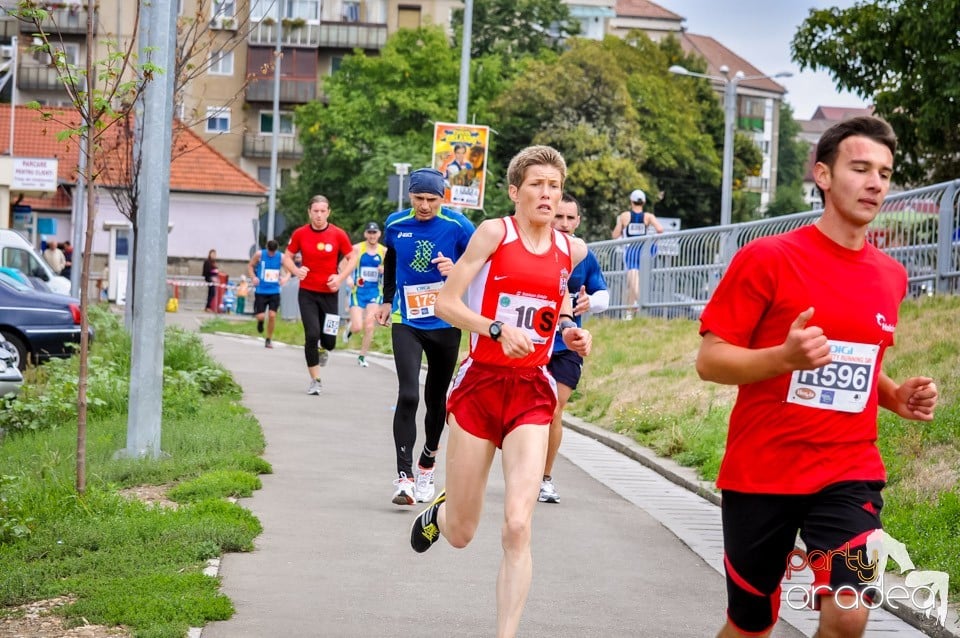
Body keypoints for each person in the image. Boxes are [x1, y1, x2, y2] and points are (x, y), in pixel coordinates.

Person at [695, 116, 939, 638]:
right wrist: (782, 358)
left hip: (849, 470)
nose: (875, 182)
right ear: (823, 175)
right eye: (860, 168)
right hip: (762, 471)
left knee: (850, 612)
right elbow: (710, 360)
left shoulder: (890, 276)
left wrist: (895, 395)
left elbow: (860, 363)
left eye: (885, 172)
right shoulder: (767, 258)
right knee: (750, 625)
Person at [409, 146, 591, 638]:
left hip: (532, 389)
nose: (547, 194)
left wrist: (572, 330)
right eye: (537, 184)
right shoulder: (494, 234)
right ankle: (443, 512)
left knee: (517, 524)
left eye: (554, 186)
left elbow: (555, 309)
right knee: (464, 534)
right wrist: (492, 329)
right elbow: (447, 304)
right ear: (515, 192)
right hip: (480, 386)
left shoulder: (572, 250)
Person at [376, 168, 475, 505]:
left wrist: (457, 269)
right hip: (408, 319)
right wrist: (387, 300)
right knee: (408, 395)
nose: (424, 206)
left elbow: (481, 266)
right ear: (410, 196)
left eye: (431, 200)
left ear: (442, 198)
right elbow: (391, 260)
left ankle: (427, 462)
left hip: (446, 321)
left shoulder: (459, 226)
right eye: (418, 198)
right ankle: (404, 477)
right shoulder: (395, 224)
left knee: (437, 400)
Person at [539, 193, 609, 504]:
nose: (565, 224)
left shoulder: (582, 254)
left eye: (571, 218)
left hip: (567, 343)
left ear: (578, 221)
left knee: (554, 408)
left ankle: (544, 478)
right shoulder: (533, 248)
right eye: (559, 217)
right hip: (533, 342)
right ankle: (525, 465)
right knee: (530, 410)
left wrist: (589, 302)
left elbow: (604, 295)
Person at [285, 195, 357, 395]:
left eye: (322, 211)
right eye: (315, 211)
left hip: (330, 293)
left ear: (328, 212)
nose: (318, 215)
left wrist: (340, 278)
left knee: (329, 341)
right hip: (307, 292)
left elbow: (352, 258)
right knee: (312, 334)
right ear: (309, 212)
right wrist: (296, 270)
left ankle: (324, 349)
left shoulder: (338, 234)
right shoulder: (301, 234)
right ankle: (315, 380)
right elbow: (287, 256)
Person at [611, 189, 663, 319]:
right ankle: (629, 314)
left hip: (631, 252)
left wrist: (622, 228)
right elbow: (660, 229)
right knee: (633, 283)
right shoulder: (648, 216)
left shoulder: (624, 216)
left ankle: (640, 304)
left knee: (633, 280)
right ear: (644, 202)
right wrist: (653, 243)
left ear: (631, 201)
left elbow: (615, 235)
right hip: (644, 252)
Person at [344, 222, 386, 367]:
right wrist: (348, 278)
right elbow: (342, 265)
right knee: (357, 327)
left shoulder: (384, 251)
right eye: (370, 232)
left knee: (369, 325)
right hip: (358, 292)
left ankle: (362, 356)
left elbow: (393, 269)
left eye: (375, 233)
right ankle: (350, 327)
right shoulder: (357, 249)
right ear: (365, 234)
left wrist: (384, 269)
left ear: (379, 234)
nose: (372, 235)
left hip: (375, 292)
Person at [248, 239, 288, 349]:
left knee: (272, 315)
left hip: (274, 291)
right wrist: (253, 277)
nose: (271, 254)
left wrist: (285, 278)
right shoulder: (259, 254)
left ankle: (268, 339)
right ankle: (260, 322)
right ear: (267, 248)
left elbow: (289, 269)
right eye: (270, 251)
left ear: (276, 250)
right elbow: (250, 266)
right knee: (261, 316)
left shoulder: (281, 256)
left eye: (273, 252)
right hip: (261, 290)